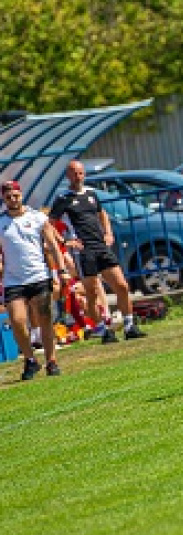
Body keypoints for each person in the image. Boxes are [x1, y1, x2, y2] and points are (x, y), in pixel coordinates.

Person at [49, 161, 146, 343]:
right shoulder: (63, 199)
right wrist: (65, 241)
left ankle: (129, 325)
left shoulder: (91, 194)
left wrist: (108, 233)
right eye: (74, 173)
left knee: (122, 286)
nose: (78, 177)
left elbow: (102, 214)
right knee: (92, 292)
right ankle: (103, 330)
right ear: (68, 176)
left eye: (80, 173)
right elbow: (49, 224)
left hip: (101, 246)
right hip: (84, 251)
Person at [0, 180, 68, 380]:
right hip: (14, 280)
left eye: (16, 196)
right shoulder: (1, 222)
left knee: (45, 318)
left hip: (38, 275)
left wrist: (61, 270)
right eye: (8, 197)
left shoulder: (37, 217)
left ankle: (51, 360)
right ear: (3, 199)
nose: (13, 199)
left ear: (21, 195)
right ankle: (30, 359)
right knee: (18, 320)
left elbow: (53, 246)